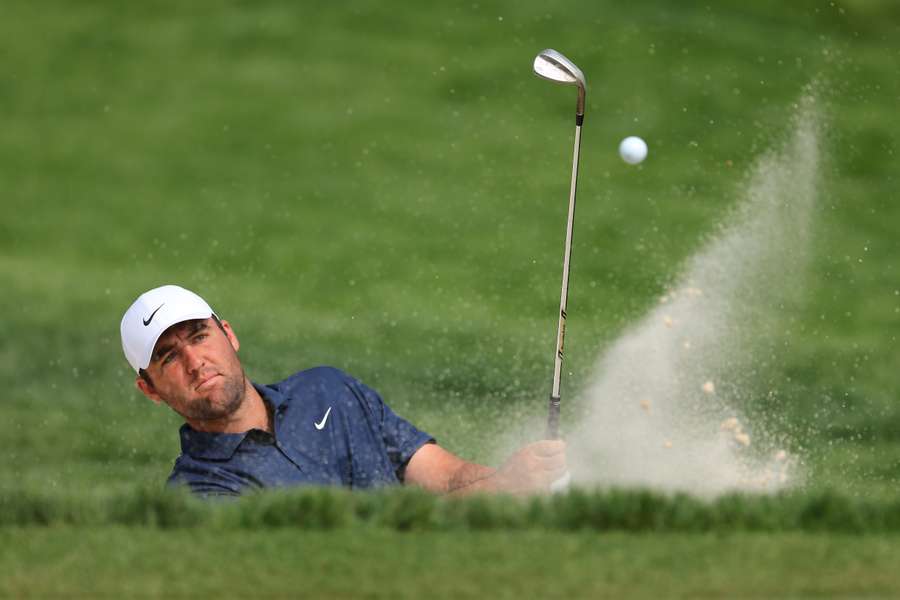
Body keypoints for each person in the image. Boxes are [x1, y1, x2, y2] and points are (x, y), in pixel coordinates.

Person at [121, 285, 567, 497]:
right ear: (150, 389)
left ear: (229, 335)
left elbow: (446, 477)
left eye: (199, 337)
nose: (195, 362)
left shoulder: (327, 391)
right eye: (168, 357)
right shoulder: (200, 493)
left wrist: (516, 481)